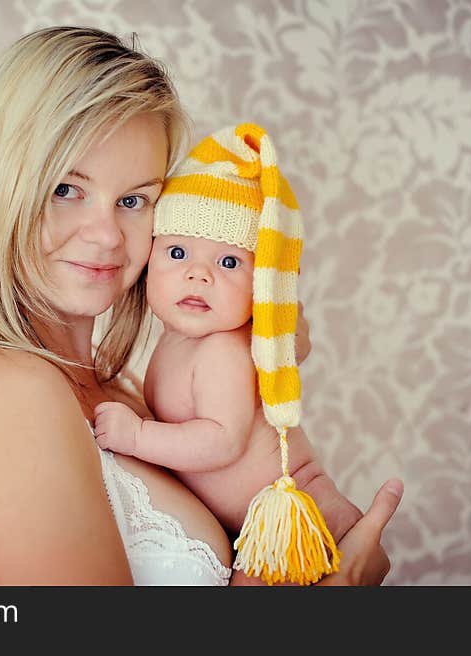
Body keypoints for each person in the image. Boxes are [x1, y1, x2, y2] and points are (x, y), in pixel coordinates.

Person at [0, 25, 403, 585]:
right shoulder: (0, 389)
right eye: (65, 189)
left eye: (134, 200)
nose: (106, 235)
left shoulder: (122, 388)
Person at [92, 123, 362, 585]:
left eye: (229, 262)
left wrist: (138, 437)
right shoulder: (177, 341)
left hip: (294, 526)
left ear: (260, 287)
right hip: (251, 533)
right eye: (177, 252)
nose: (199, 276)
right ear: (149, 262)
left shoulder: (222, 349)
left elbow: (221, 439)